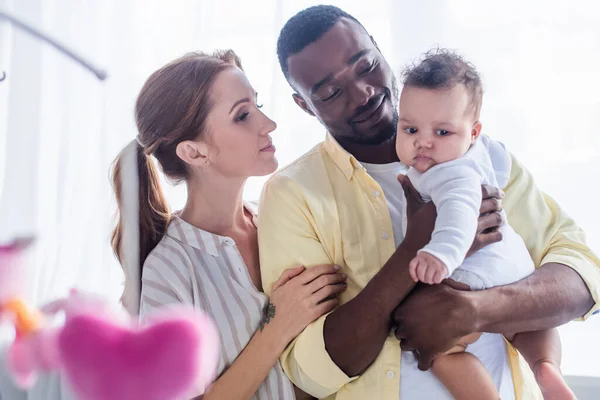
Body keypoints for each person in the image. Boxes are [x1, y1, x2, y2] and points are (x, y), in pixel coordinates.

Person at [258, 5, 600, 400]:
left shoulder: (479, 154)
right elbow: (310, 372)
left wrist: (476, 310)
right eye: (331, 92)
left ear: (380, 51)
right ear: (303, 105)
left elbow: (582, 272)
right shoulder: (292, 194)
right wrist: (414, 248)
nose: (363, 92)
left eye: (365, 65)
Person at [110, 50, 347, 400]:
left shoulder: (281, 216)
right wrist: (278, 324)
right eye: (243, 115)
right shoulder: (170, 268)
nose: (268, 124)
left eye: (258, 105)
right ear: (194, 153)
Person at [395, 48, 573, 399]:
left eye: (443, 132)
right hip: (514, 263)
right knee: (526, 325)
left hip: (477, 269)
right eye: (410, 128)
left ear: (472, 132)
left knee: (441, 349)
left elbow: (461, 213)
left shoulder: (450, 173)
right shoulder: (482, 152)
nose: (424, 142)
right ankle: (545, 367)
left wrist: (440, 255)